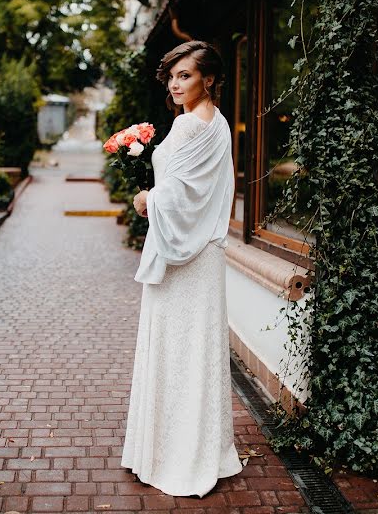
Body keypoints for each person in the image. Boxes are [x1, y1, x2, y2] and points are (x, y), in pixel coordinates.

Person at [121, 40, 242, 497]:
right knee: (196, 355)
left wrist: (145, 199)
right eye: (173, 75)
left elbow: (178, 196)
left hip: (183, 258)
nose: (175, 83)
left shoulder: (193, 126)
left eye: (186, 75)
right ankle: (201, 452)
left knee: (175, 352)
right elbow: (195, 189)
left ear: (208, 79)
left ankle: (172, 456)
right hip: (202, 256)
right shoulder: (218, 123)